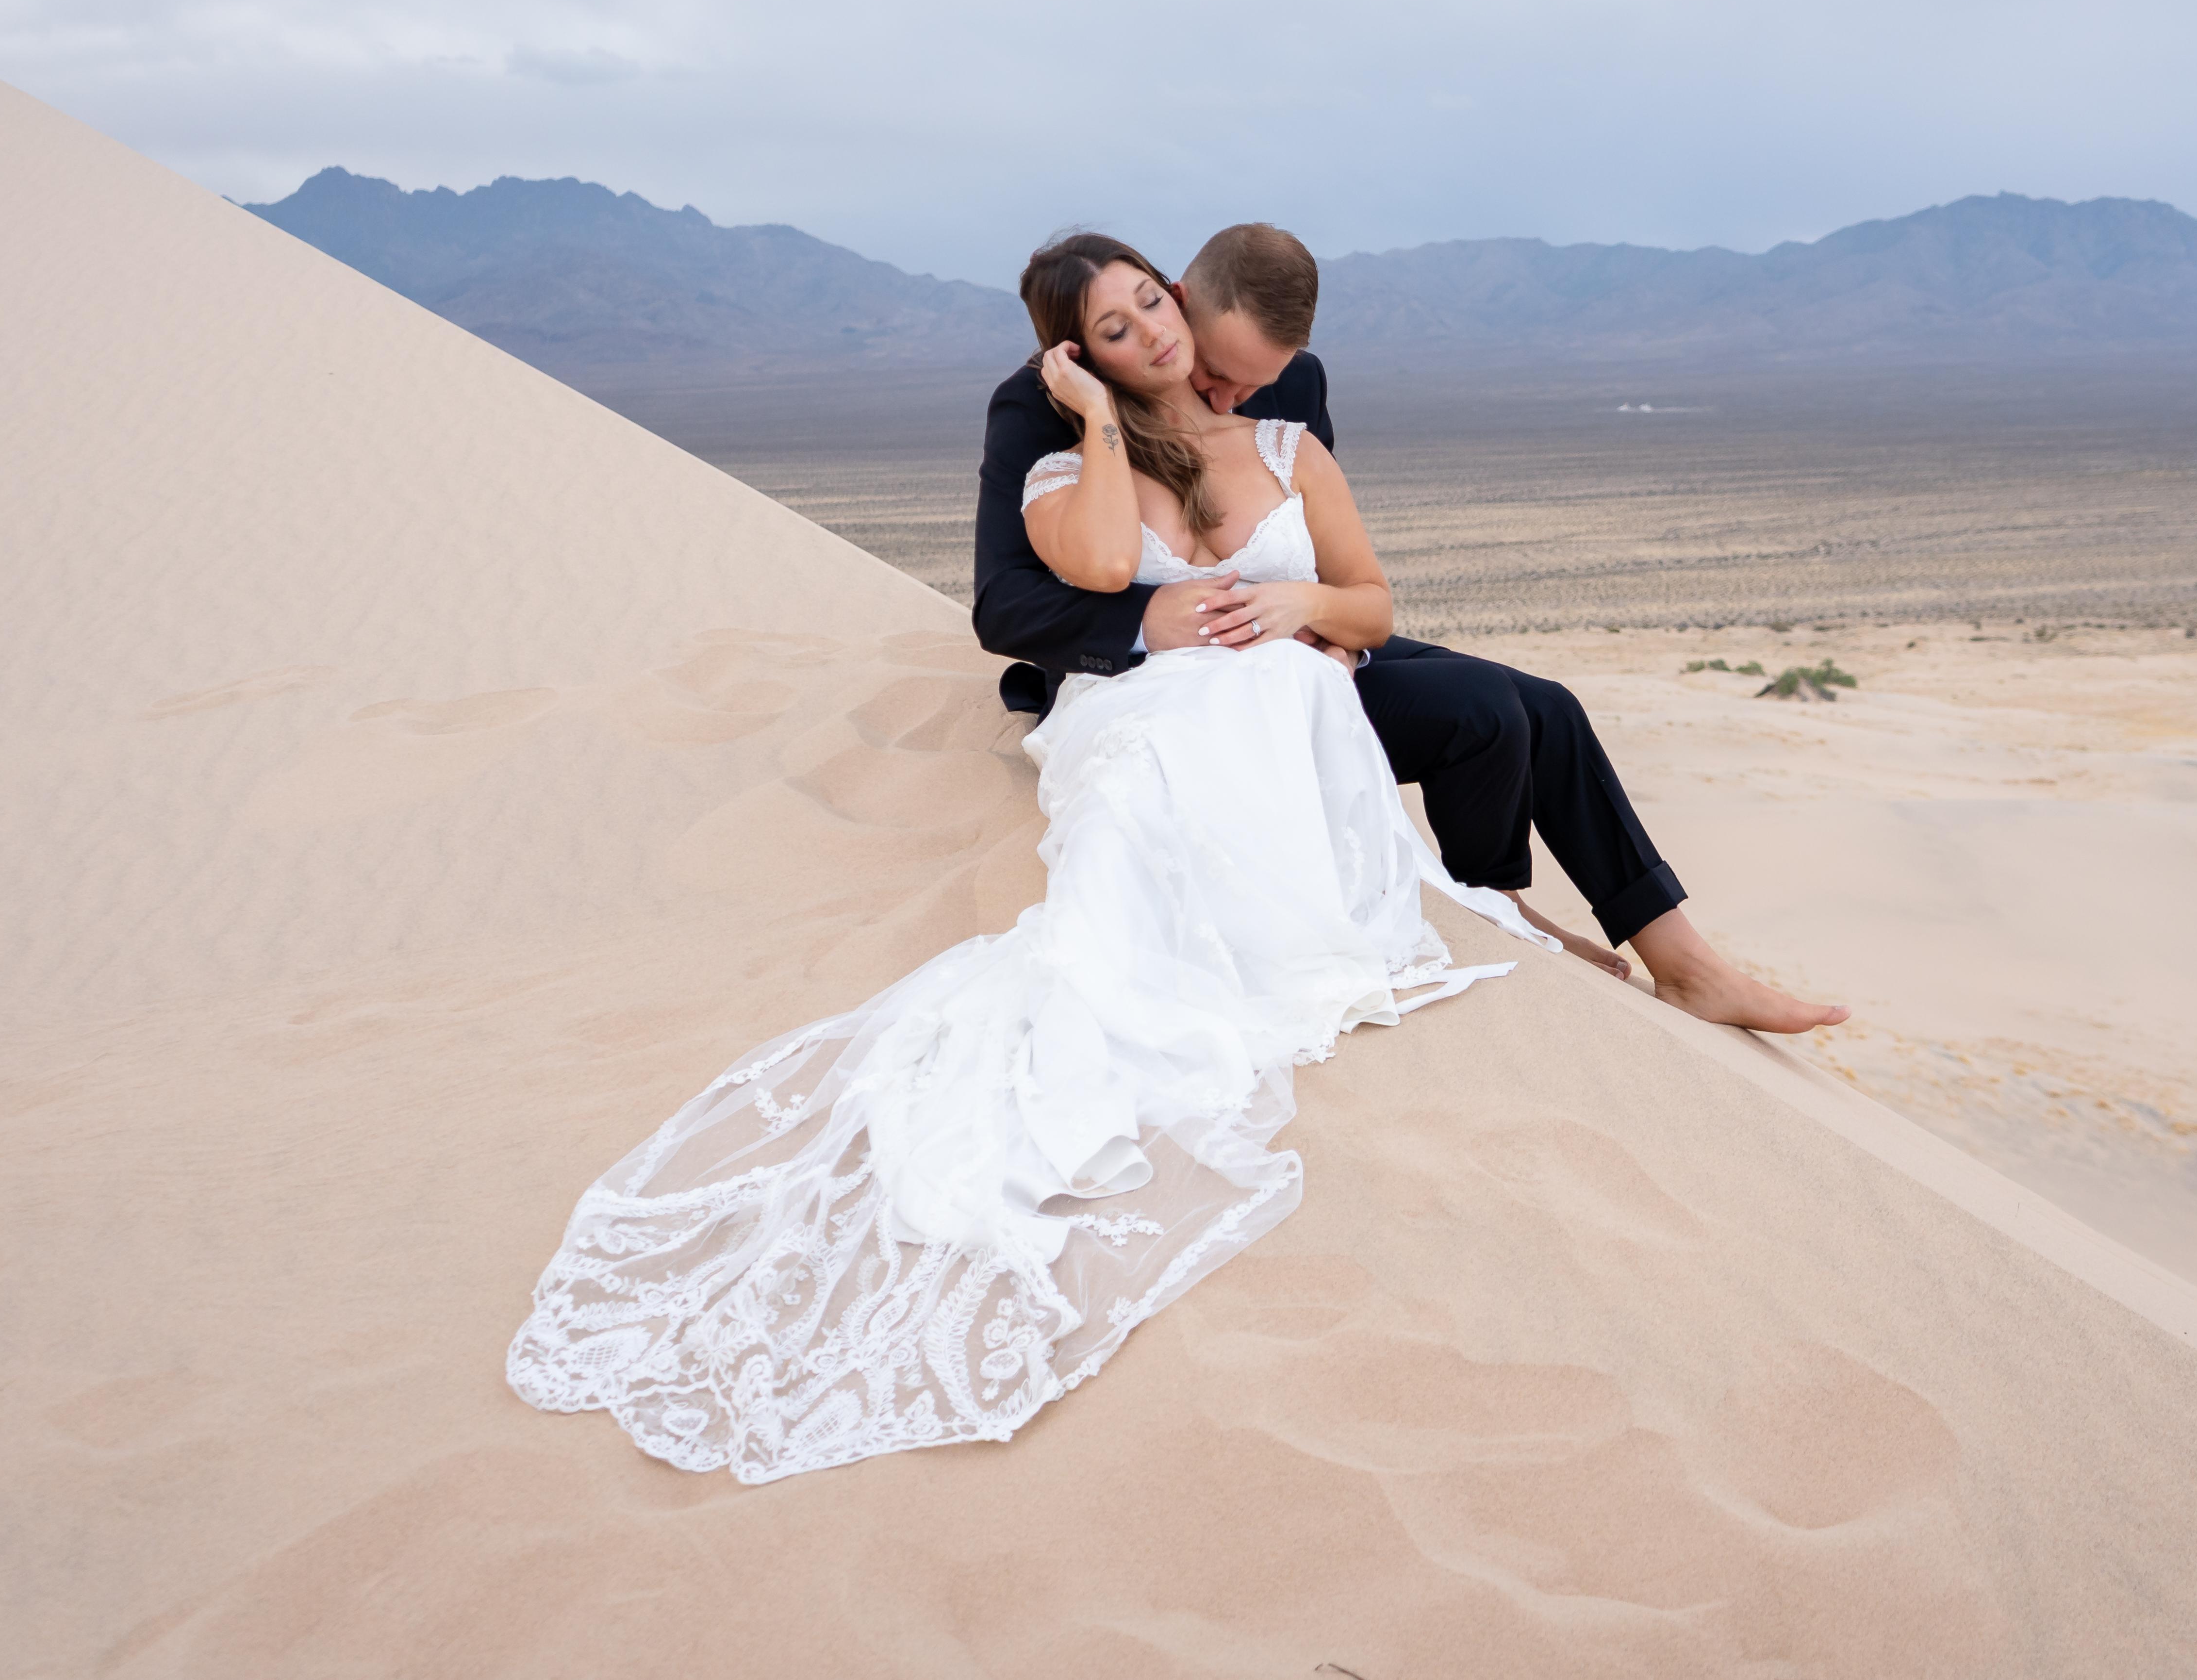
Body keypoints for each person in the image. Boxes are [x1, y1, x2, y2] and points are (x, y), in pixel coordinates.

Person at [508, 237, 1558, 1482]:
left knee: (1503, 717)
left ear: (1182, 295)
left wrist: (1302, 609)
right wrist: (1100, 420)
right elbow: (1104, 570)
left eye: (1152, 302)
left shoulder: (1285, 443)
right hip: (1148, 718)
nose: (1150, 331)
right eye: (1113, 329)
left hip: (1285, 709)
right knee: (1116, 932)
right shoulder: (1064, 466)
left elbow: (1371, 599)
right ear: (1078, 357)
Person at [974, 228, 1844, 1034]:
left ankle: (1679, 960)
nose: (1230, 395)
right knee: (1480, 705)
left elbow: (1321, 557)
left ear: (1174, 298)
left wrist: (1332, 634)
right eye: (1223, 377)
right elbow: (1007, 603)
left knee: (1546, 707)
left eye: (1251, 383)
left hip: (1300, 641)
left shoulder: (1285, 397)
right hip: (1158, 681)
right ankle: (1490, 907)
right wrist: (1145, 620)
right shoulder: (1040, 411)